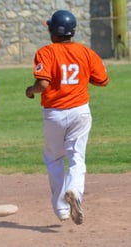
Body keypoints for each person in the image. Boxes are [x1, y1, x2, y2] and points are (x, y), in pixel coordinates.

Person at [25, 10, 109, 224]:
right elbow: (102, 80)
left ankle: (62, 209)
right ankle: (75, 192)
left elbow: (42, 84)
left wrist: (30, 90)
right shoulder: (86, 52)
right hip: (80, 111)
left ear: (52, 30)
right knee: (77, 157)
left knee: (54, 158)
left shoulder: (46, 52)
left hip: (55, 113)